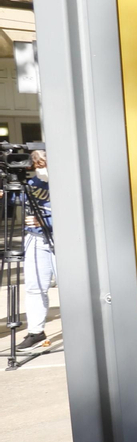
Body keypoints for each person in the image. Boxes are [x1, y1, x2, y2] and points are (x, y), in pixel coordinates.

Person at [19, 148, 53, 350]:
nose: (38, 162)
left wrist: (46, 221)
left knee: (72, 288)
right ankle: (36, 332)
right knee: (34, 287)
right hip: (35, 239)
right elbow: (18, 200)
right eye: (35, 159)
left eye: (42, 159)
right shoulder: (32, 182)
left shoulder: (69, 179)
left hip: (64, 239)